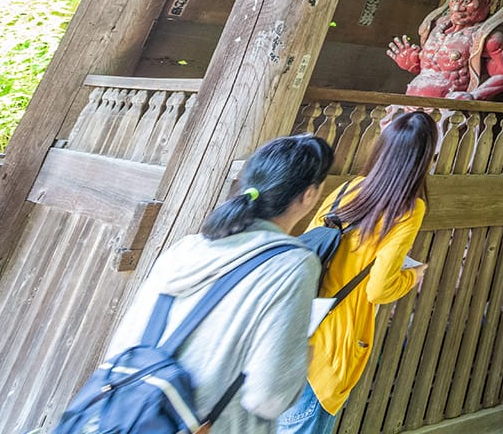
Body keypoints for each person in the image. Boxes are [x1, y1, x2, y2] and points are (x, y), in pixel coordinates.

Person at [101, 134, 334, 434]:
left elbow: (122, 348)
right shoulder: (292, 264)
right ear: (309, 195)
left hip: (126, 417)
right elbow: (269, 398)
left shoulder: (187, 247)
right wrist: (301, 357)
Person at [278, 110, 438, 434]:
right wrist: (412, 277)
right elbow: (378, 290)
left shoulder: (349, 188)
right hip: (332, 347)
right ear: (425, 159)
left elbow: (314, 245)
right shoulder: (409, 208)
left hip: (294, 329)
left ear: (382, 149)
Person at [387, 0, 503, 100]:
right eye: (454, 0)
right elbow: (430, 69)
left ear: (487, 0)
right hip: (411, 101)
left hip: (447, 112)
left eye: (466, 1)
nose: (457, 8)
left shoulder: (488, 37)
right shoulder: (436, 25)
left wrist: (474, 95)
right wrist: (412, 63)